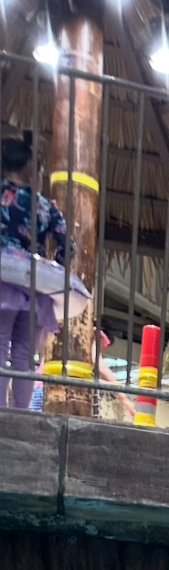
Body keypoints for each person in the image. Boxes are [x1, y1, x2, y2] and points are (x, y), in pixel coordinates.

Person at [1, 131, 68, 410]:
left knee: (0, 343)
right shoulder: (43, 205)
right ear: (31, 167)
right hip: (33, 280)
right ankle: (21, 412)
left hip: (3, 277)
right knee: (25, 352)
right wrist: (56, 268)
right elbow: (66, 243)